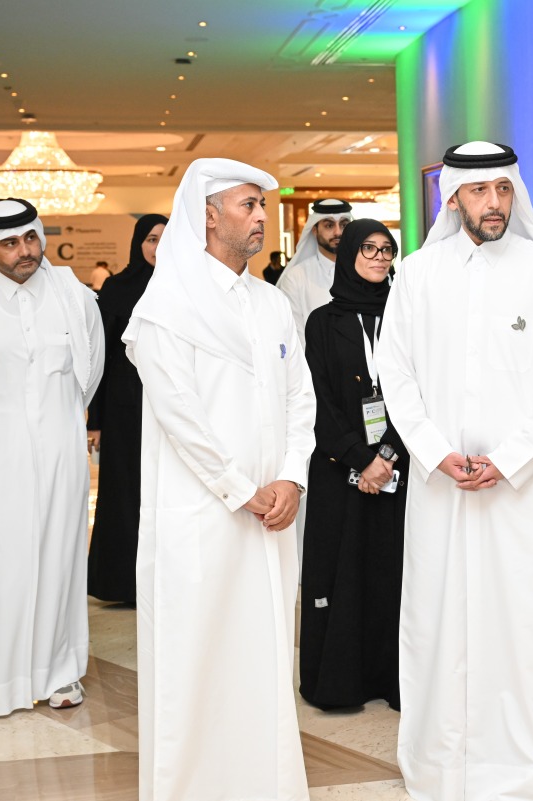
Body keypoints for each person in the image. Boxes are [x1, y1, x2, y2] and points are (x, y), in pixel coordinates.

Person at [376, 141, 533, 801]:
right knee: (440, 623)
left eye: (502, 190)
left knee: (529, 624)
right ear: (454, 196)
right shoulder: (417, 272)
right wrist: (435, 451)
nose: (493, 203)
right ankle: (444, 763)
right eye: (478, 191)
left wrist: (510, 457)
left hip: (522, 489)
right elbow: (396, 373)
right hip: (442, 488)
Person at [124, 158, 316, 801]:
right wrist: (241, 488)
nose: (262, 216)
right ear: (207, 214)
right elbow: (180, 415)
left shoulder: (271, 302)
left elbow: (301, 399)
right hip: (201, 516)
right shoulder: (166, 307)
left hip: (274, 514)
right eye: (248, 205)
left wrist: (290, 477)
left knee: (263, 656)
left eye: (263, 205)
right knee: (197, 656)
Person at [0, 197, 105, 715]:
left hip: (60, 449)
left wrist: (53, 421)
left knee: (57, 557)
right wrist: (8, 421)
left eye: (31, 238)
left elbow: (91, 370)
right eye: (10, 243)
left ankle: (58, 673)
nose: (24, 251)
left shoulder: (75, 299)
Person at [299, 218, 406, 711]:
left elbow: (418, 394)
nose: (380, 258)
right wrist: (362, 459)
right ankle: (341, 682)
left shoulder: (408, 317)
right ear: (348, 256)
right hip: (339, 466)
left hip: (399, 468)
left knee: (393, 570)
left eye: (387, 250)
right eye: (369, 248)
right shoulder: (323, 321)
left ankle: (394, 677)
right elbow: (316, 399)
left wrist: (385, 457)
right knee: (343, 569)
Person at [86, 213, 167, 605]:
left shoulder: (184, 286)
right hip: (124, 407)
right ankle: (122, 582)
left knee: (167, 489)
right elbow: (100, 358)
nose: (158, 248)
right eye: (151, 240)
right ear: (138, 244)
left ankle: (165, 581)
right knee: (125, 490)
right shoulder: (117, 289)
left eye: (166, 240)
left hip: (170, 404)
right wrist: (96, 420)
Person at [276, 198, 353, 344]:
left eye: (344, 224)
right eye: (329, 225)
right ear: (314, 230)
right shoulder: (296, 277)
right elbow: (296, 337)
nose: (338, 232)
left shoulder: (365, 272)